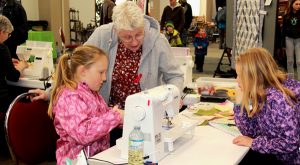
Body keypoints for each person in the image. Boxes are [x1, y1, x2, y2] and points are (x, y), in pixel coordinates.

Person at [48, 45, 123, 165]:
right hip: (75, 161)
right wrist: (115, 117)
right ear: (83, 71)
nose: (104, 78)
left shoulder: (91, 93)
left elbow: (100, 117)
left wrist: (121, 118)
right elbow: (83, 134)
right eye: (101, 72)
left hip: (95, 158)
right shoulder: (69, 97)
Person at [233, 47, 300, 164]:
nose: (236, 80)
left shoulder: (278, 101)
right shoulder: (261, 93)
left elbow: (290, 143)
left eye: (239, 75)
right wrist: (239, 104)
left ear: (253, 77)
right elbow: (251, 132)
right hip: (278, 155)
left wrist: (254, 143)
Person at [0, 15, 28, 155]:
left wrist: (7, 62)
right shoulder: (2, 48)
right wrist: (21, 66)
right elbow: (13, 76)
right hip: (1, 99)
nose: (8, 37)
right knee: (24, 98)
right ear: (1, 32)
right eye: (8, 34)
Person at [282, 0, 300, 79]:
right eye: (296, 4)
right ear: (292, 4)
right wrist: (282, 43)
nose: (298, 6)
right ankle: (291, 79)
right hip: (289, 39)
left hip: (299, 40)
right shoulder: (286, 16)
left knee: (299, 61)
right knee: (290, 61)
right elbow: (283, 30)